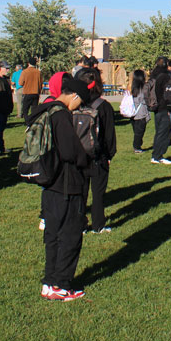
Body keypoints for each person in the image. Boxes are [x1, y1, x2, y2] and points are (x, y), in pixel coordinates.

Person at [35, 74, 90, 301]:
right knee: (70, 235)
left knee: (52, 235)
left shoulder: (45, 110)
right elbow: (69, 152)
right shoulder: (61, 115)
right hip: (66, 184)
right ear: (74, 97)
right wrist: (85, 161)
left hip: (49, 183)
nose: (80, 107)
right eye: (80, 102)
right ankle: (62, 284)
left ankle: (50, 282)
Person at [75, 67, 117, 233]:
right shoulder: (103, 106)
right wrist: (109, 154)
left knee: (80, 192)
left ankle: (80, 224)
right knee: (98, 193)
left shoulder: (75, 104)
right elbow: (109, 135)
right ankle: (98, 224)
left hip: (78, 154)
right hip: (98, 156)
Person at [148, 57, 171, 165]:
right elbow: (167, 94)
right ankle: (157, 155)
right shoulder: (165, 76)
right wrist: (169, 107)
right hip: (163, 107)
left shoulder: (154, 75)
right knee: (164, 132)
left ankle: (157, 154)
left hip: (156, 106)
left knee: (159, 131)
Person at [127, 69, 150, 153]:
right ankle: (137, 147)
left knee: (137, 131)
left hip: (132, 112)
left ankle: (137, 146)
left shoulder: (131, 88)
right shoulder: (144, 88)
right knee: (139, 132)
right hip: (141, 113)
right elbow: (146, 99)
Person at [19, 58, 42, 123]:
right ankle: (33, 121)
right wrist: (39, 92)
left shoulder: (25, 72)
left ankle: (27, 121)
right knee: (34, 109)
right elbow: (40, 83)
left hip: (27, 92)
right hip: (36, 93)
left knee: (25, 109)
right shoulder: (38, 72)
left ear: (28, 63)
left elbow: (20, 83)